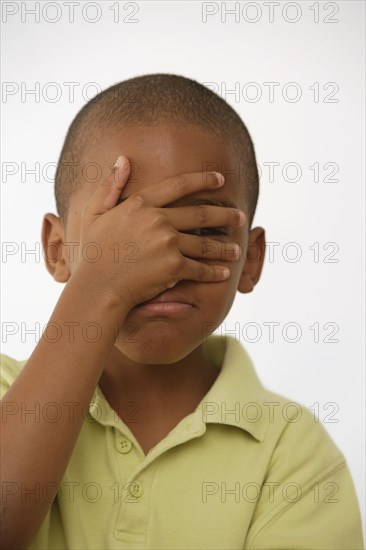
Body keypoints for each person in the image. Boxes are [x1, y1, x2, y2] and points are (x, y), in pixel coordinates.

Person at [0, 74, 363, 549]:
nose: (163, 264)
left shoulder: (291, 449)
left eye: (205, 230)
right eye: (122, 232)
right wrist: (99, 288)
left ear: (250, 260)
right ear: (58, 249)